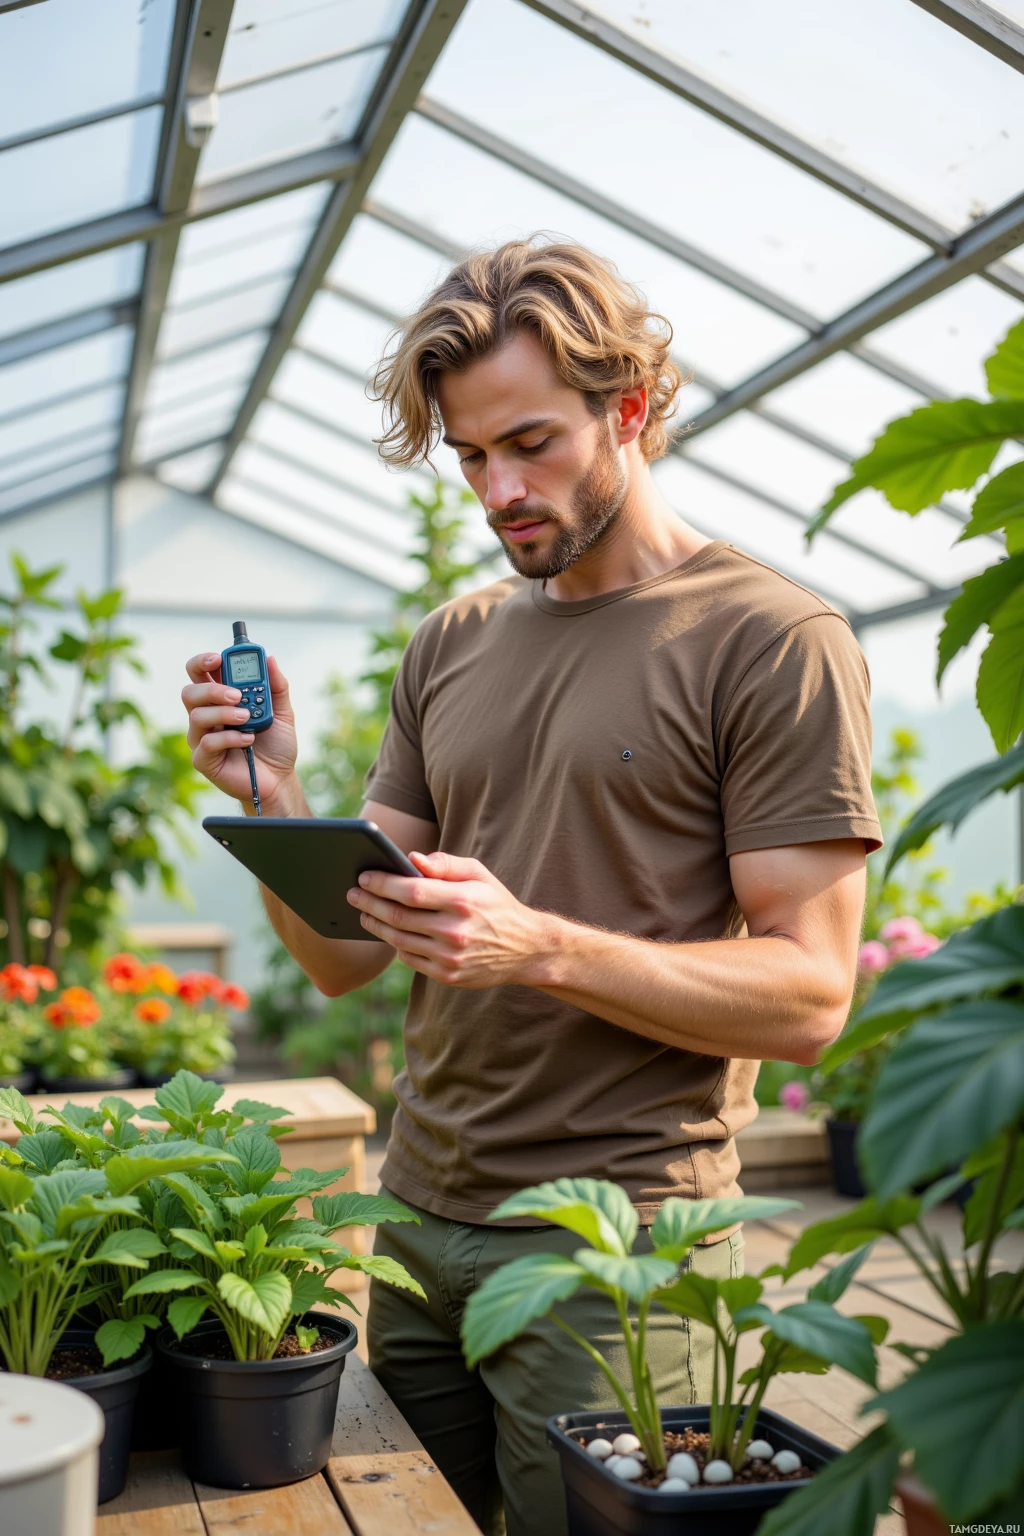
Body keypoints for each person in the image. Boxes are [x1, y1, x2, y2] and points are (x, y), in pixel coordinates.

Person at [182, 239, 880, 1536]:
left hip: (614, 1243)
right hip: (420, 1213)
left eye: (532, 444)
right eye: (468, 457)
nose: (498, 489)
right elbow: (345, 955)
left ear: (631, 410)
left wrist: (538, 945)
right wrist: (270, 796)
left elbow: (809, 995)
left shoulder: (769, 638)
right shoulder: (452, 639)